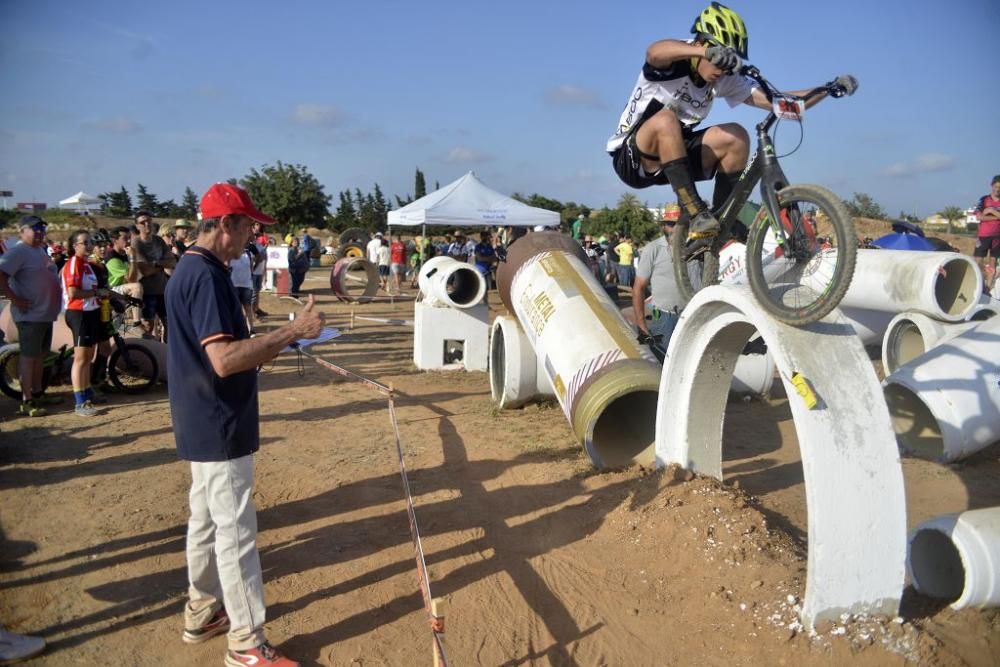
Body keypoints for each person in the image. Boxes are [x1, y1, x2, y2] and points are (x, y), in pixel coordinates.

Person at [165, 182, 323, 667]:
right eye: (249, 224)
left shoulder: (189, 270)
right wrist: (293, 331)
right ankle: (247, 643)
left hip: (200, 418)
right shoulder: (207, 276)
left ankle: (202, 609)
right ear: (223, 224)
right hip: (218, 421)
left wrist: (272, 344)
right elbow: (225, 359)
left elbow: (222, 352)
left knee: (207, 520)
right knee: (234, 531)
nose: (253, 234)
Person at [607, 2, 857, 251]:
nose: (723, 69)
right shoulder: (674, 61)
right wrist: (704, 54)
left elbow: (780, 102)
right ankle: (695, 213)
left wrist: (828, 89)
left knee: (736, 137)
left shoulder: (724, 79)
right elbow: (654, 52)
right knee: (666, 119)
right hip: (634, 159)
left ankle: (721, 224)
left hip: (675, 160)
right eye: (720, 60)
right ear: (702, 44)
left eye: (729, 62)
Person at [0, 216, 63, 417]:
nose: (39, 232)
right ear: (22, 230)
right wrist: (15, 299)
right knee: (29, 359)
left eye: (42, 228)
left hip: (44, 314)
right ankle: (27, 400)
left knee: (39, 358)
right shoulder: (18, 251)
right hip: (30, 316)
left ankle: (38, 393)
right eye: (34, 229)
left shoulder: (38, 250)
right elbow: (1, 275)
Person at [61, 229, 113, 416]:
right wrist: (96, 293)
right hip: (78, 313)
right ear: (75, 246)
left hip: (90, 312)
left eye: (90, 242)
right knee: (81, 358)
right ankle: (80, 402)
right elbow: (73, 293)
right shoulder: (75, 262)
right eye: (85, 242)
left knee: (88, 356)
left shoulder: (87, 264)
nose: (90, 245)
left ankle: (87, 392)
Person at [631, 207, 688, 346]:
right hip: (664, 318)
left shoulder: (695, 247)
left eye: (679, 224)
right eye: (671, 224)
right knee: (662, 359)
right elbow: (638, 288)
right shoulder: (653, 249)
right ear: (663, 226)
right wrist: (642, 325)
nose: (675, 229)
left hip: (691, 316)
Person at [132, 210, 176, 339]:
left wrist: (155, 264)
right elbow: (144, 270)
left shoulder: (158, 241)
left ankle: (167, 352)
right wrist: (162, 264)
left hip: (163, 289)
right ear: (137, 226)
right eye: (143, 222)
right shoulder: (136, 243)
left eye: (149, 221)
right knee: (148, 327)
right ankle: (150, 354)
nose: (147, 224)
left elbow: (172, 261)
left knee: (169, 324)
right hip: (147, 291)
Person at [105, 226, 144, 326]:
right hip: (113, 289)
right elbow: (131, 279)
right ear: (115, 240)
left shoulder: (125, 254)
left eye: (129, 238)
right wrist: (133, 257)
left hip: (124, 288)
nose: (128, 241)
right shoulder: (112, 257)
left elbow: (135, 276)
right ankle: (136, 321)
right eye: (125, 238)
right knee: (137, 287)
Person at [974, 175, 1000, 292]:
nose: (997, 190)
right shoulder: (984, 199)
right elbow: (979, 216)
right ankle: (977, 284)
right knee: (978, 261)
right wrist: (996, 217)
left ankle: (988, 287)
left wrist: (991, 211)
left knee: (992, 262)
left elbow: (985, 215)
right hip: (983, 235)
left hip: (998, 237)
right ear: (991, 186)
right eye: (995, 187)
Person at [230, 243, 256, 332]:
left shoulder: (249, 254)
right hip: (234, 285)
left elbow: (252, 267)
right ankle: (236, 328)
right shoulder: (231, 253)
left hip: (247, 285)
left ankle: (251, 329)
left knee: (248, 307)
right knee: (236, 309)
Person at [251, 221, 269, 318]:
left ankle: (256, 309)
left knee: (257, 291)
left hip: (259, 271)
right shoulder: (250, 246)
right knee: (253, 293)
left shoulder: (259, 244)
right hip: (253, 272)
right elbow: (255, 258)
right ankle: (251, 312)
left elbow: (263, 256)